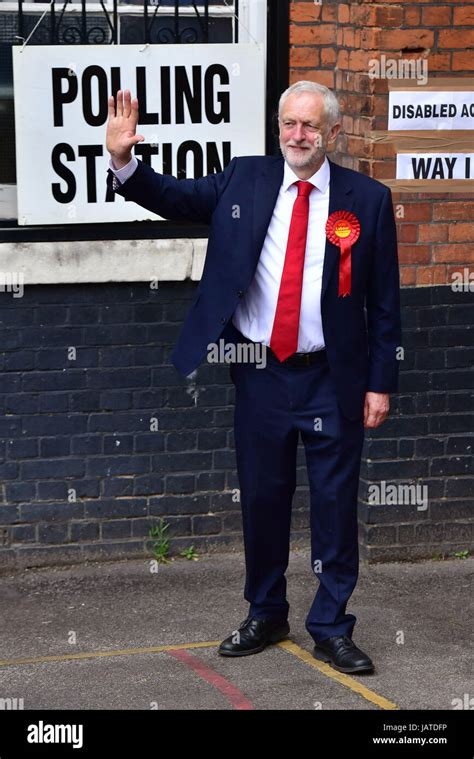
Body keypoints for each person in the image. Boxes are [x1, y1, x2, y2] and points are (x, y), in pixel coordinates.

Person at [105, 81, 401, 675]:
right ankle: (266, 612)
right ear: (278, 127)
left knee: (335, 506)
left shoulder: (366, 201)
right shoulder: (244, 179)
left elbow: (385, 302)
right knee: (263, 500)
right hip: (260, 372)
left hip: (332, 377)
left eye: (310, 126)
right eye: (289, 123)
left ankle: (331, 626)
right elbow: (173, 196)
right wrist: (122, 160)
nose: (297, 135)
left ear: (333, 134)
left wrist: (380, 382)